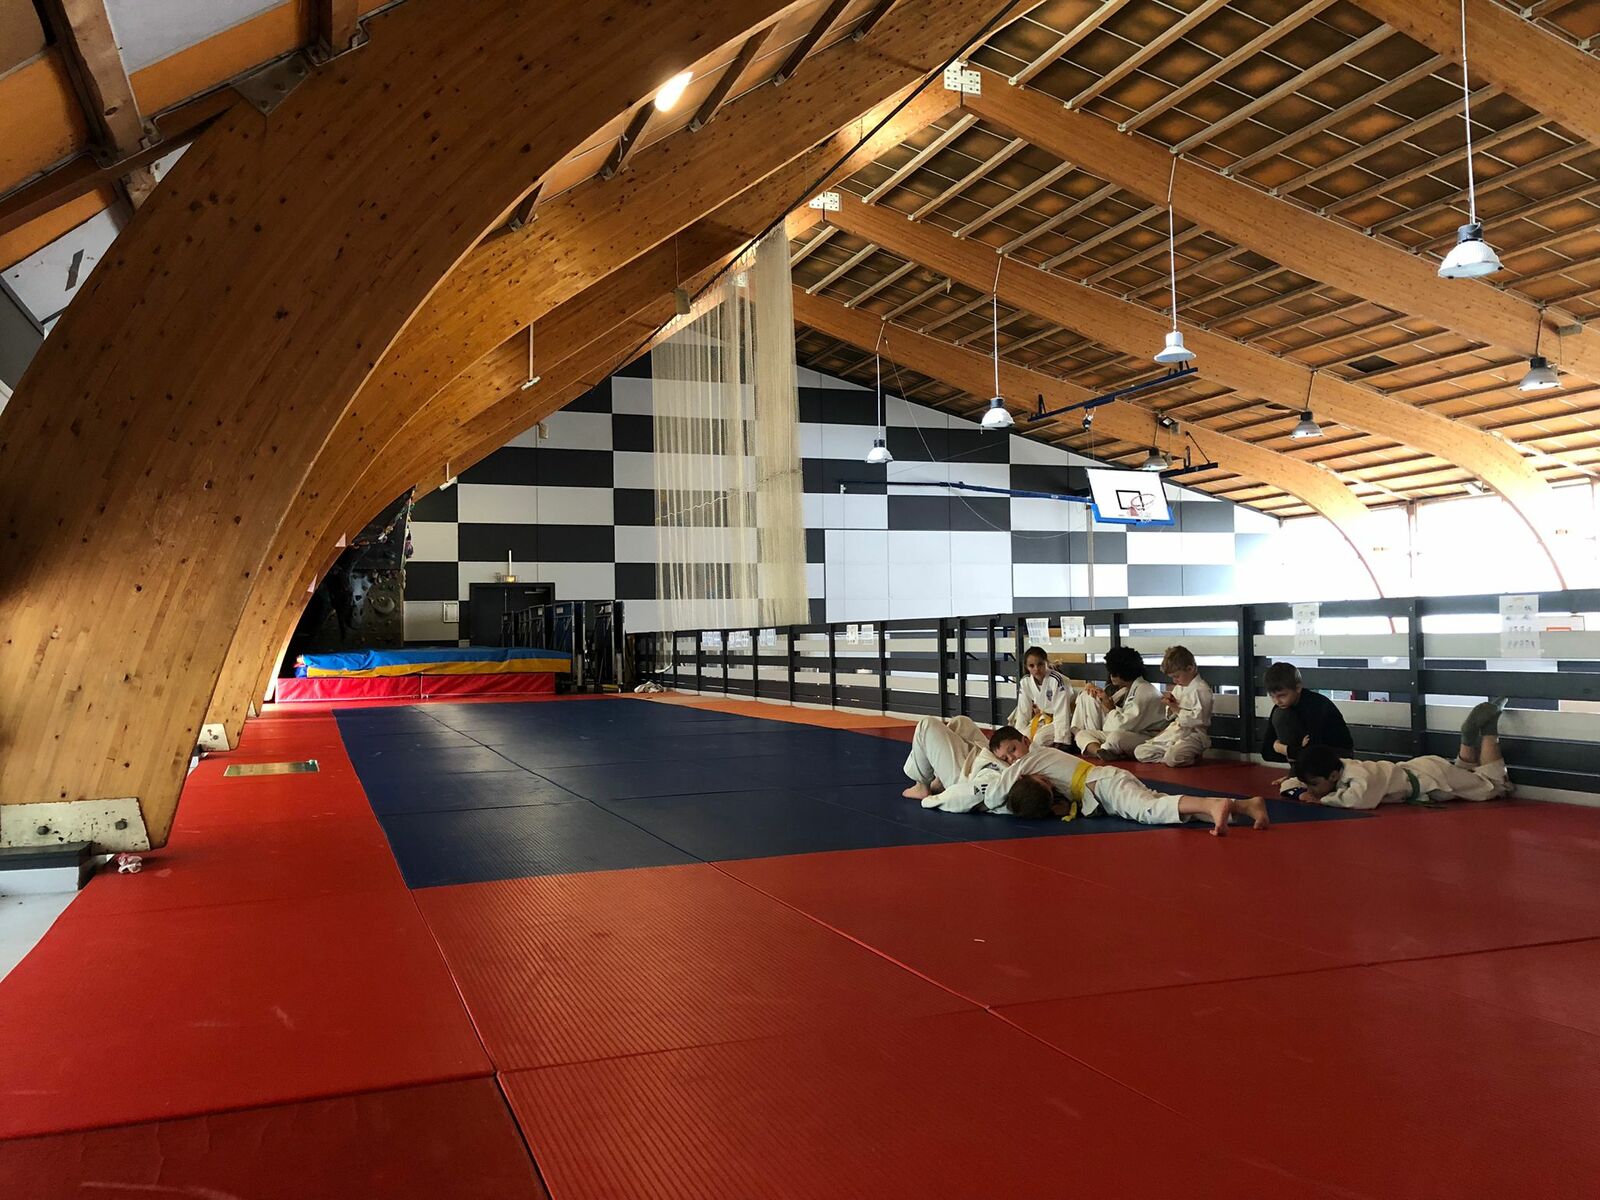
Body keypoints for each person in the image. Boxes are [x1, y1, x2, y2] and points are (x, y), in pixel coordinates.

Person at [923, 731, 1268, 836]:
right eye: (1006, 758)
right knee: (1155, 801)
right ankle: (1246, 806)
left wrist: (996, 778)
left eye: (1013, 750)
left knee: (1148, 810)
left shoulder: (1031, 759)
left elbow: (995, 794)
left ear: (1024, 741)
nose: (1013, 760)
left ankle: (1212, 804)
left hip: (1102, 784)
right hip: (1103, 784)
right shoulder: (1031, 760)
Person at [1292, 701, 1511, 809]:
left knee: (1494, 787)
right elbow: (1296, 781)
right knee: (1466, 777)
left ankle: (1489, 728)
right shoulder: (1337, 766)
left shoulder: (1360, 777)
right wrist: (1297, 788)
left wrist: (1321, 800)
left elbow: (1357, 800)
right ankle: (1468, 741)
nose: (1312, 789)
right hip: (1422, 770)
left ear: (1332, 776)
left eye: (1314, 784)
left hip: (1432, 780)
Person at [900, 717, 1054, 818]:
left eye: (1043, 780)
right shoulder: (1032, 777)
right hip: (984, 761)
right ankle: (939, 777)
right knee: (961, 722)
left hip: (964, 775)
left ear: (1021, 778)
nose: (1046, 779)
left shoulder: (995, 787)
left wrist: (930, 801)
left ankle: (922, 785)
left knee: (926, 726)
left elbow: (962, 796)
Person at [1069, 645, 1165, 759]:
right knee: (1082, 733)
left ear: (1122, 673)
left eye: (1114, 673)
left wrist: (1110, 709)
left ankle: (1105, 750)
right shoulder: (1130, 689)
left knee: (1116, 737)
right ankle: (1099, 752)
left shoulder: (1144, 691)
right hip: (1131, 731)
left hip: (1148, 735)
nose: (1111, 676)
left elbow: (1122, 726)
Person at [1134, 645, 1213, 768]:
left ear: (1190, 669)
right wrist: (1171, 705)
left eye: (1177, 676)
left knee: (1173, 758)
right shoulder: (1179, 687)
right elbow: (1171, 715)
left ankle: (1180, 756)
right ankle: (1169, 755)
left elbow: (1200, 719)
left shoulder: (1202, 690)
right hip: (1175, 731)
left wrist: (1176, 708)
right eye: (1172, 677)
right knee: (1140, 752)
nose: (1175, 681)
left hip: (1194, 735)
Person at [1259, 661, 1352, 763]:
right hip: (1308, 757)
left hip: (1338, 755)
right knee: (1280, 714)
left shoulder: (1316, 706)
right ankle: (1298, 768)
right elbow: (1266, 752)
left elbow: (1313, 753)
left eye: (1282, 695)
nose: (1277, 701)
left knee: (1281, 716)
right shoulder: (1280, 707)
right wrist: (1296, 751)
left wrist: (1283, 749)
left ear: (1298, 688)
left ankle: (1299, 769)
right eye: (1272, 696)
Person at [1009, 646, 1074, 747]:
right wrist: (1018, 737)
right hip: (1042, 718)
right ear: (1026, 667)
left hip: (1060, 720)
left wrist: (1061, 740)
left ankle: (1065, 740)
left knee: (1039, 740)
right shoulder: (1025, 682)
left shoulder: (1056, 679)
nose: (1036, 669)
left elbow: (1062, 711)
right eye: (1031, 666)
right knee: (1025, 738)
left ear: (1046, 663)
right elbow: (1023, 711)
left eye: (1040, 664)